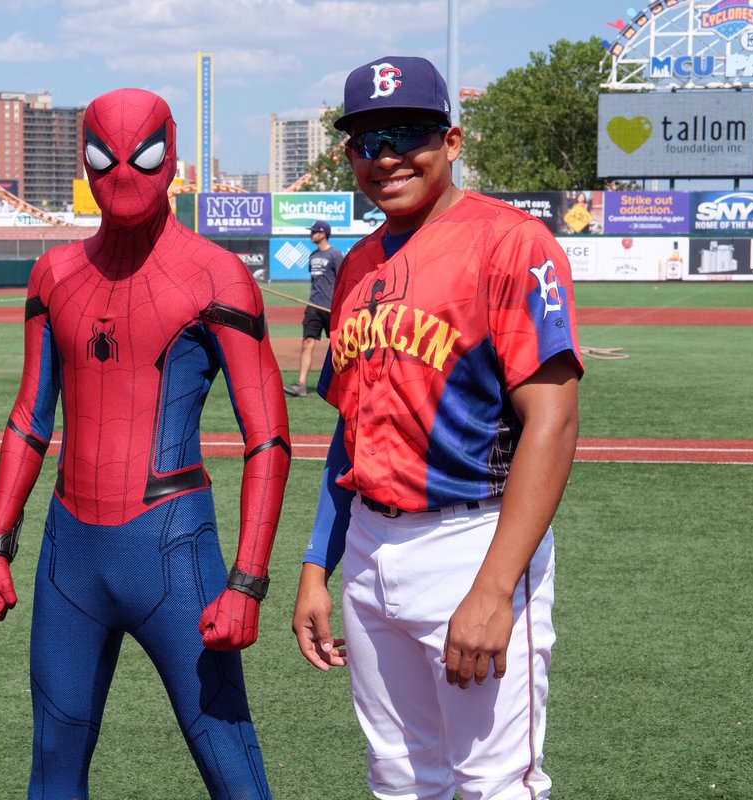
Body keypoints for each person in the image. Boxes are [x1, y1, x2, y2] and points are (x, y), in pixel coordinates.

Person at [0, 88, 291, 799]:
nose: (121, 173)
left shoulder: (217, 275)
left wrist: (246, 583)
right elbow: (30, 416)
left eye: (143, 156)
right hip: (70, 558)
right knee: (53, 761)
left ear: (171, 158)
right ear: (82, 160)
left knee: (230, 763)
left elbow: (268, 437)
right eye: (101, 156)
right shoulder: (54, 275)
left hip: (173, 550)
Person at [290, 55, 582, 800]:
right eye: (366, 141)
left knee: (494, 783)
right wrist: (317, 565)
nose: (385, 157)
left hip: (471, 540)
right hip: (368, 548)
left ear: (451, 141)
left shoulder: (512, 243)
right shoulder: (356, 267)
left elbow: (552, 420)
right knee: (399, 775)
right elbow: (349, 431)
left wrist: (494, 588)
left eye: (407, 135)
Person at [284, 219, 342, 397]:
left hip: (331, 307)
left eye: (314, 232)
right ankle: (301, 385)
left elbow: (342, 280)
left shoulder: (335, 254)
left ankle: (344, 385)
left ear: (323, 233)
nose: (311, 235)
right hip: (313, 306)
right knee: (307, 342)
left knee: (340, 347)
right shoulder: (313, 256)